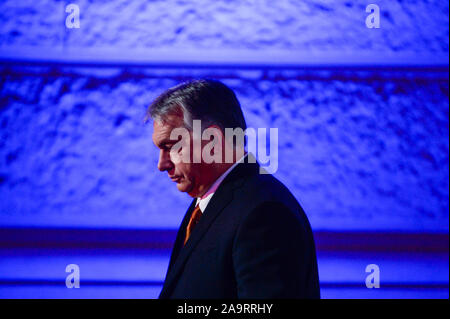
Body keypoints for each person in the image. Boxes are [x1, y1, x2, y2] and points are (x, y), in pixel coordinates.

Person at [146, 79, 320, 299]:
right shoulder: (209, 204)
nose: (161, 165)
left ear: (211, 141)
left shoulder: (265, 213)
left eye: (170, 147)